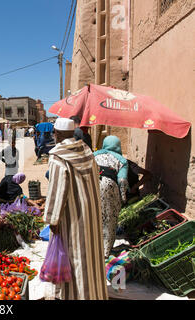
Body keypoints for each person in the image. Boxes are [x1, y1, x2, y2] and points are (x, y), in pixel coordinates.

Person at [44, 118, 108, 300]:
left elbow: (56, 190)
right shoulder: (87, 151)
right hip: (91, 214)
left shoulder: (58, 157)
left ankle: (76, 296)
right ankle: (95, 294)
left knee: (75, 257)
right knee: (91, 256)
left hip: (72, 218)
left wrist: (52, 220)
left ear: (56, 134)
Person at [94, 136, 129, 257]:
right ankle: (105, 251)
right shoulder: (122, 160)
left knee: (93, 215)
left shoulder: (94, 155)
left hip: (92, 184)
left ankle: (91, 247)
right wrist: (123, 197)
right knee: (109, 218)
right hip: (110, 187)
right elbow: (122, 180)